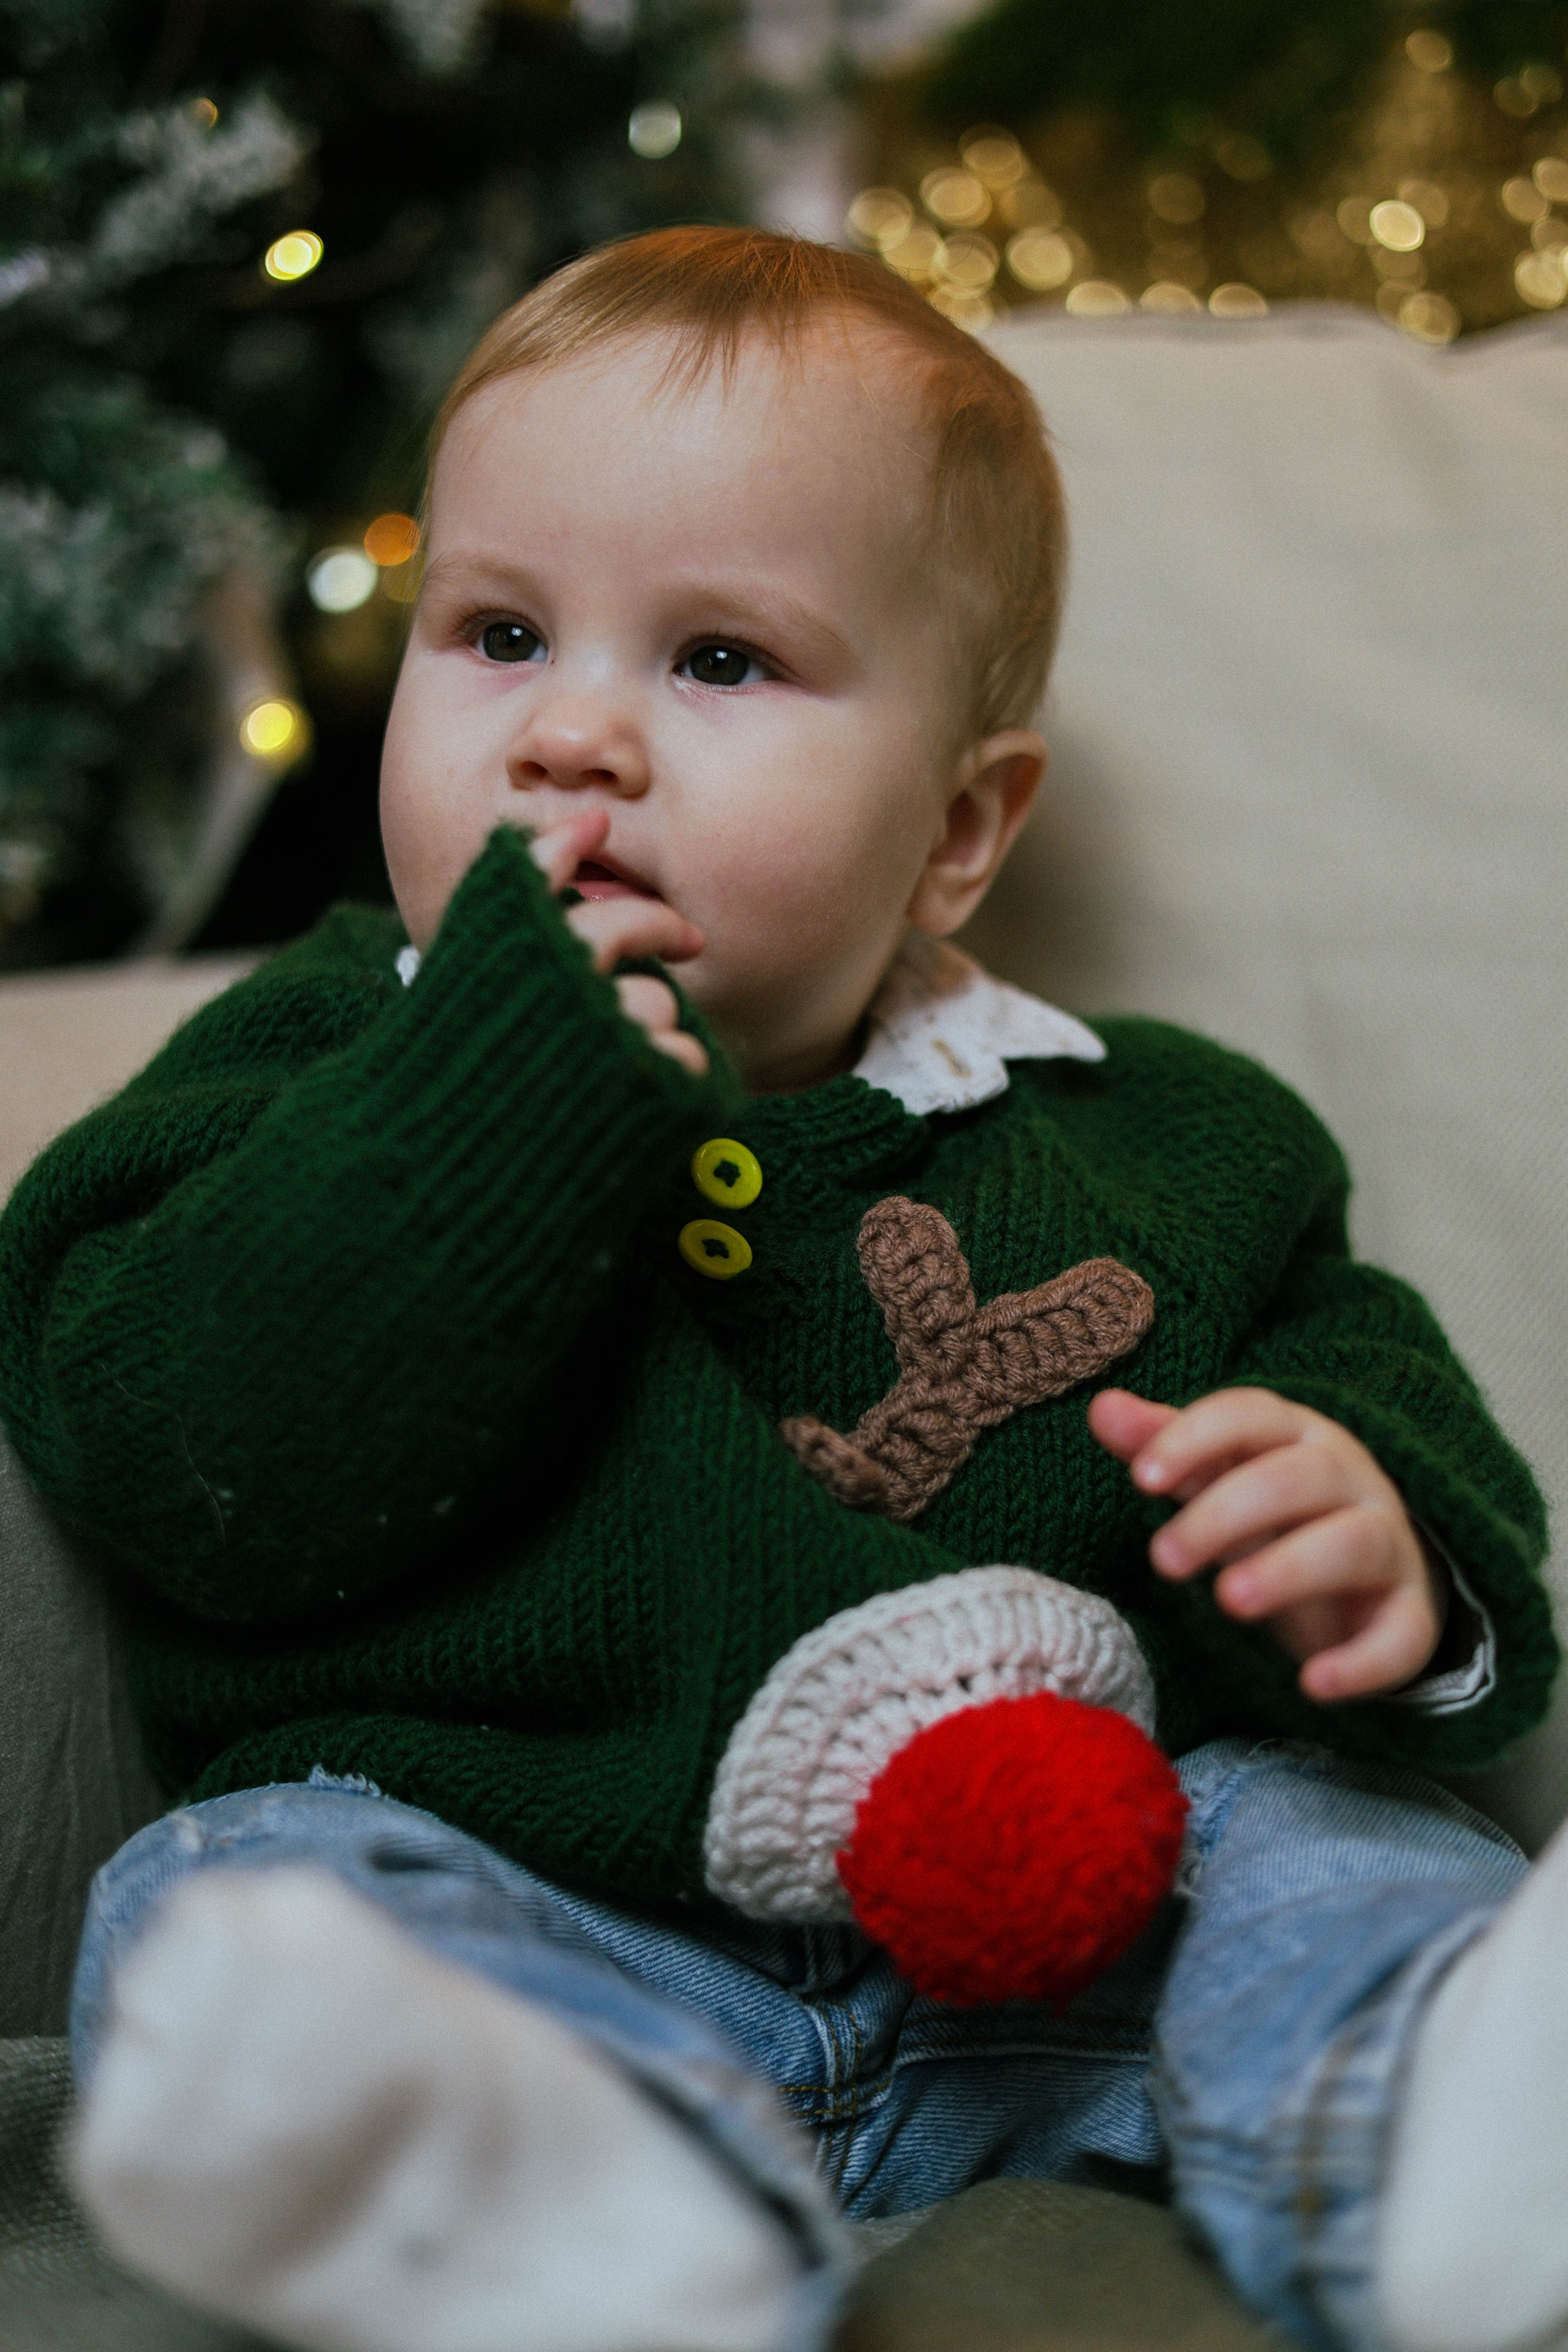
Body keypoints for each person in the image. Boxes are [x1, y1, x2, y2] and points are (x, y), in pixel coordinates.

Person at [0, 226, 1560, 2352]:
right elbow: (181, 1452)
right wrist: (490, 1105)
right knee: (231, 1891)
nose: (573, 738)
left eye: (718, 661)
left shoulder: (1177, 1139)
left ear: (955, 834)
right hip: (558, 1923)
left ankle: (1423, 2126)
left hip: (1081, 1964)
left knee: (1334, 1834)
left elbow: (1407, 1444)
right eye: (497, 633)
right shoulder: (308, 1071)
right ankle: (570, 2220)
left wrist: (1383, 1557)